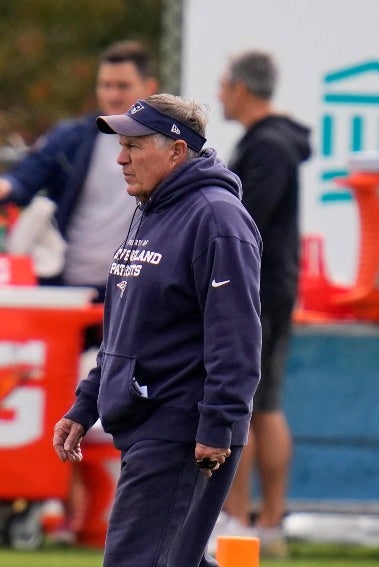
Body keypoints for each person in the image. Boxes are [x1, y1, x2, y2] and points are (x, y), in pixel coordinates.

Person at [52, 93, 262, 567]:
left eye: (134, 146)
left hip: (183, 428)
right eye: (120, 146)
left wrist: (217, 424)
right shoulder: (153, 210)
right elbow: (124, 330)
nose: (121, 159)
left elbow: (236, 335)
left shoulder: (216, 217)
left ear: (177, 150)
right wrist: (86, 404)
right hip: (149, 422)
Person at [211, 49, 311, 558]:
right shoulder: (271, 141)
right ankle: (261, 524)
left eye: (223, 84)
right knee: (260, 406)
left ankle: (246, 522)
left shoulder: (268, 146)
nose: (219, 94)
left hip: (257, 292)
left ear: (241, 88)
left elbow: (246, 222)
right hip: (267, 290)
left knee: (249, 406)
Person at [0, 40, 158, 299]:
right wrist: (8, 186)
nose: (113, 95)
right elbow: (28, 174)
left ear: (149, 87)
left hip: (131, 291)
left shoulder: (162, 148)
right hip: (70, 286)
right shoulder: (71, 139)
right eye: (105, 85)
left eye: (123, 86)